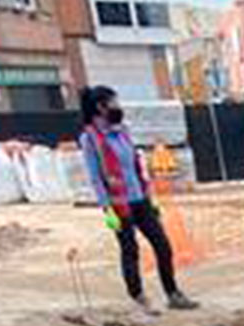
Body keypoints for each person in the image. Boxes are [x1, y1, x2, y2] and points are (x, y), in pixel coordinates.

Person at [78, 86, 197, 312]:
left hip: (140, 199)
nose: (117, 107)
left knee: (162, 245)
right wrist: (107, 210)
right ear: (100, 107)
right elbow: (95, 177)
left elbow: (134, 167)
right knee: (130, 250)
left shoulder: (122, 131)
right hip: (118, 204)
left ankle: (173, 294)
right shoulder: (90, 139)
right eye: (113, 103)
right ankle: (138, 297)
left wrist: (148, 197)